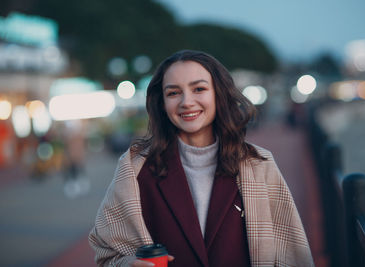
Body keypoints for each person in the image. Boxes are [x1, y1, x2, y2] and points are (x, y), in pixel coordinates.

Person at [89, 50, 314, 266]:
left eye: (198, 89)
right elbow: (108, 251)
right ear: (162, 103)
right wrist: (129, 265)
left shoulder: (258, 164)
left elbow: (292, 255)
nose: (186, 101)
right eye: (173, 93)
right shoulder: (135, 168)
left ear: (218, 93)